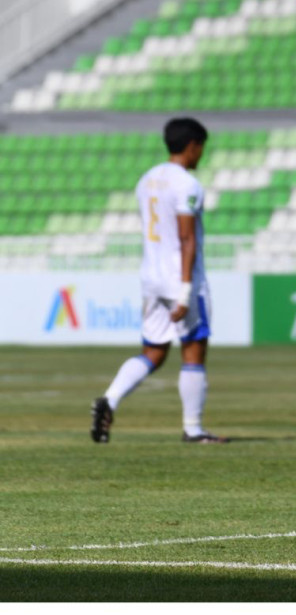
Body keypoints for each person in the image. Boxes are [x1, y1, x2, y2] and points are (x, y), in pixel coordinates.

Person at [91, 118, 226, 445]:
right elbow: (186, 238)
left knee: (154, 351)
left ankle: (110, 399)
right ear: (192, 145)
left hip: (150, 277)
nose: (201, 155)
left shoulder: (147, 180)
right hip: (178, 278)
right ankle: (193, 429)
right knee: (193, 351)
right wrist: (184, 291)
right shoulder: (187, 185)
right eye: (201, 148)